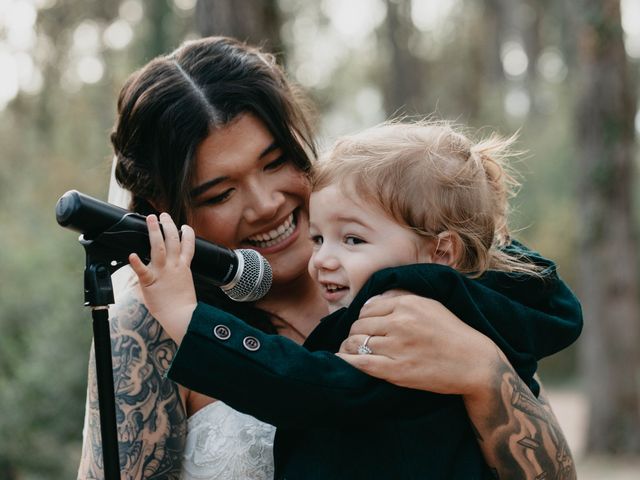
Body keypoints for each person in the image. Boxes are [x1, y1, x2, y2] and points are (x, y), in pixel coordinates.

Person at [77, 36, 578, 479]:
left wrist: (484, 372)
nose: (266, 202)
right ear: (167, 213)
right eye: (219, 193)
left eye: (275, 162)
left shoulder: (415, 278)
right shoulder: (150, 330)